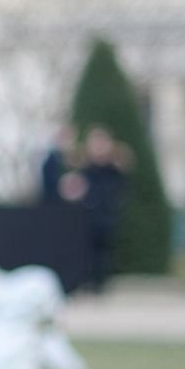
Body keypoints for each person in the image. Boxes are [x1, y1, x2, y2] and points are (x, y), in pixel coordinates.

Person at [75, 125, 130, 293]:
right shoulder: (85, 168)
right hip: (87, 215)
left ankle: (101, 282)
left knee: (104, 251)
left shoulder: (113, 170)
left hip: (106, 215)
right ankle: (88, 280)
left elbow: (121, 190)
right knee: (87, 250)